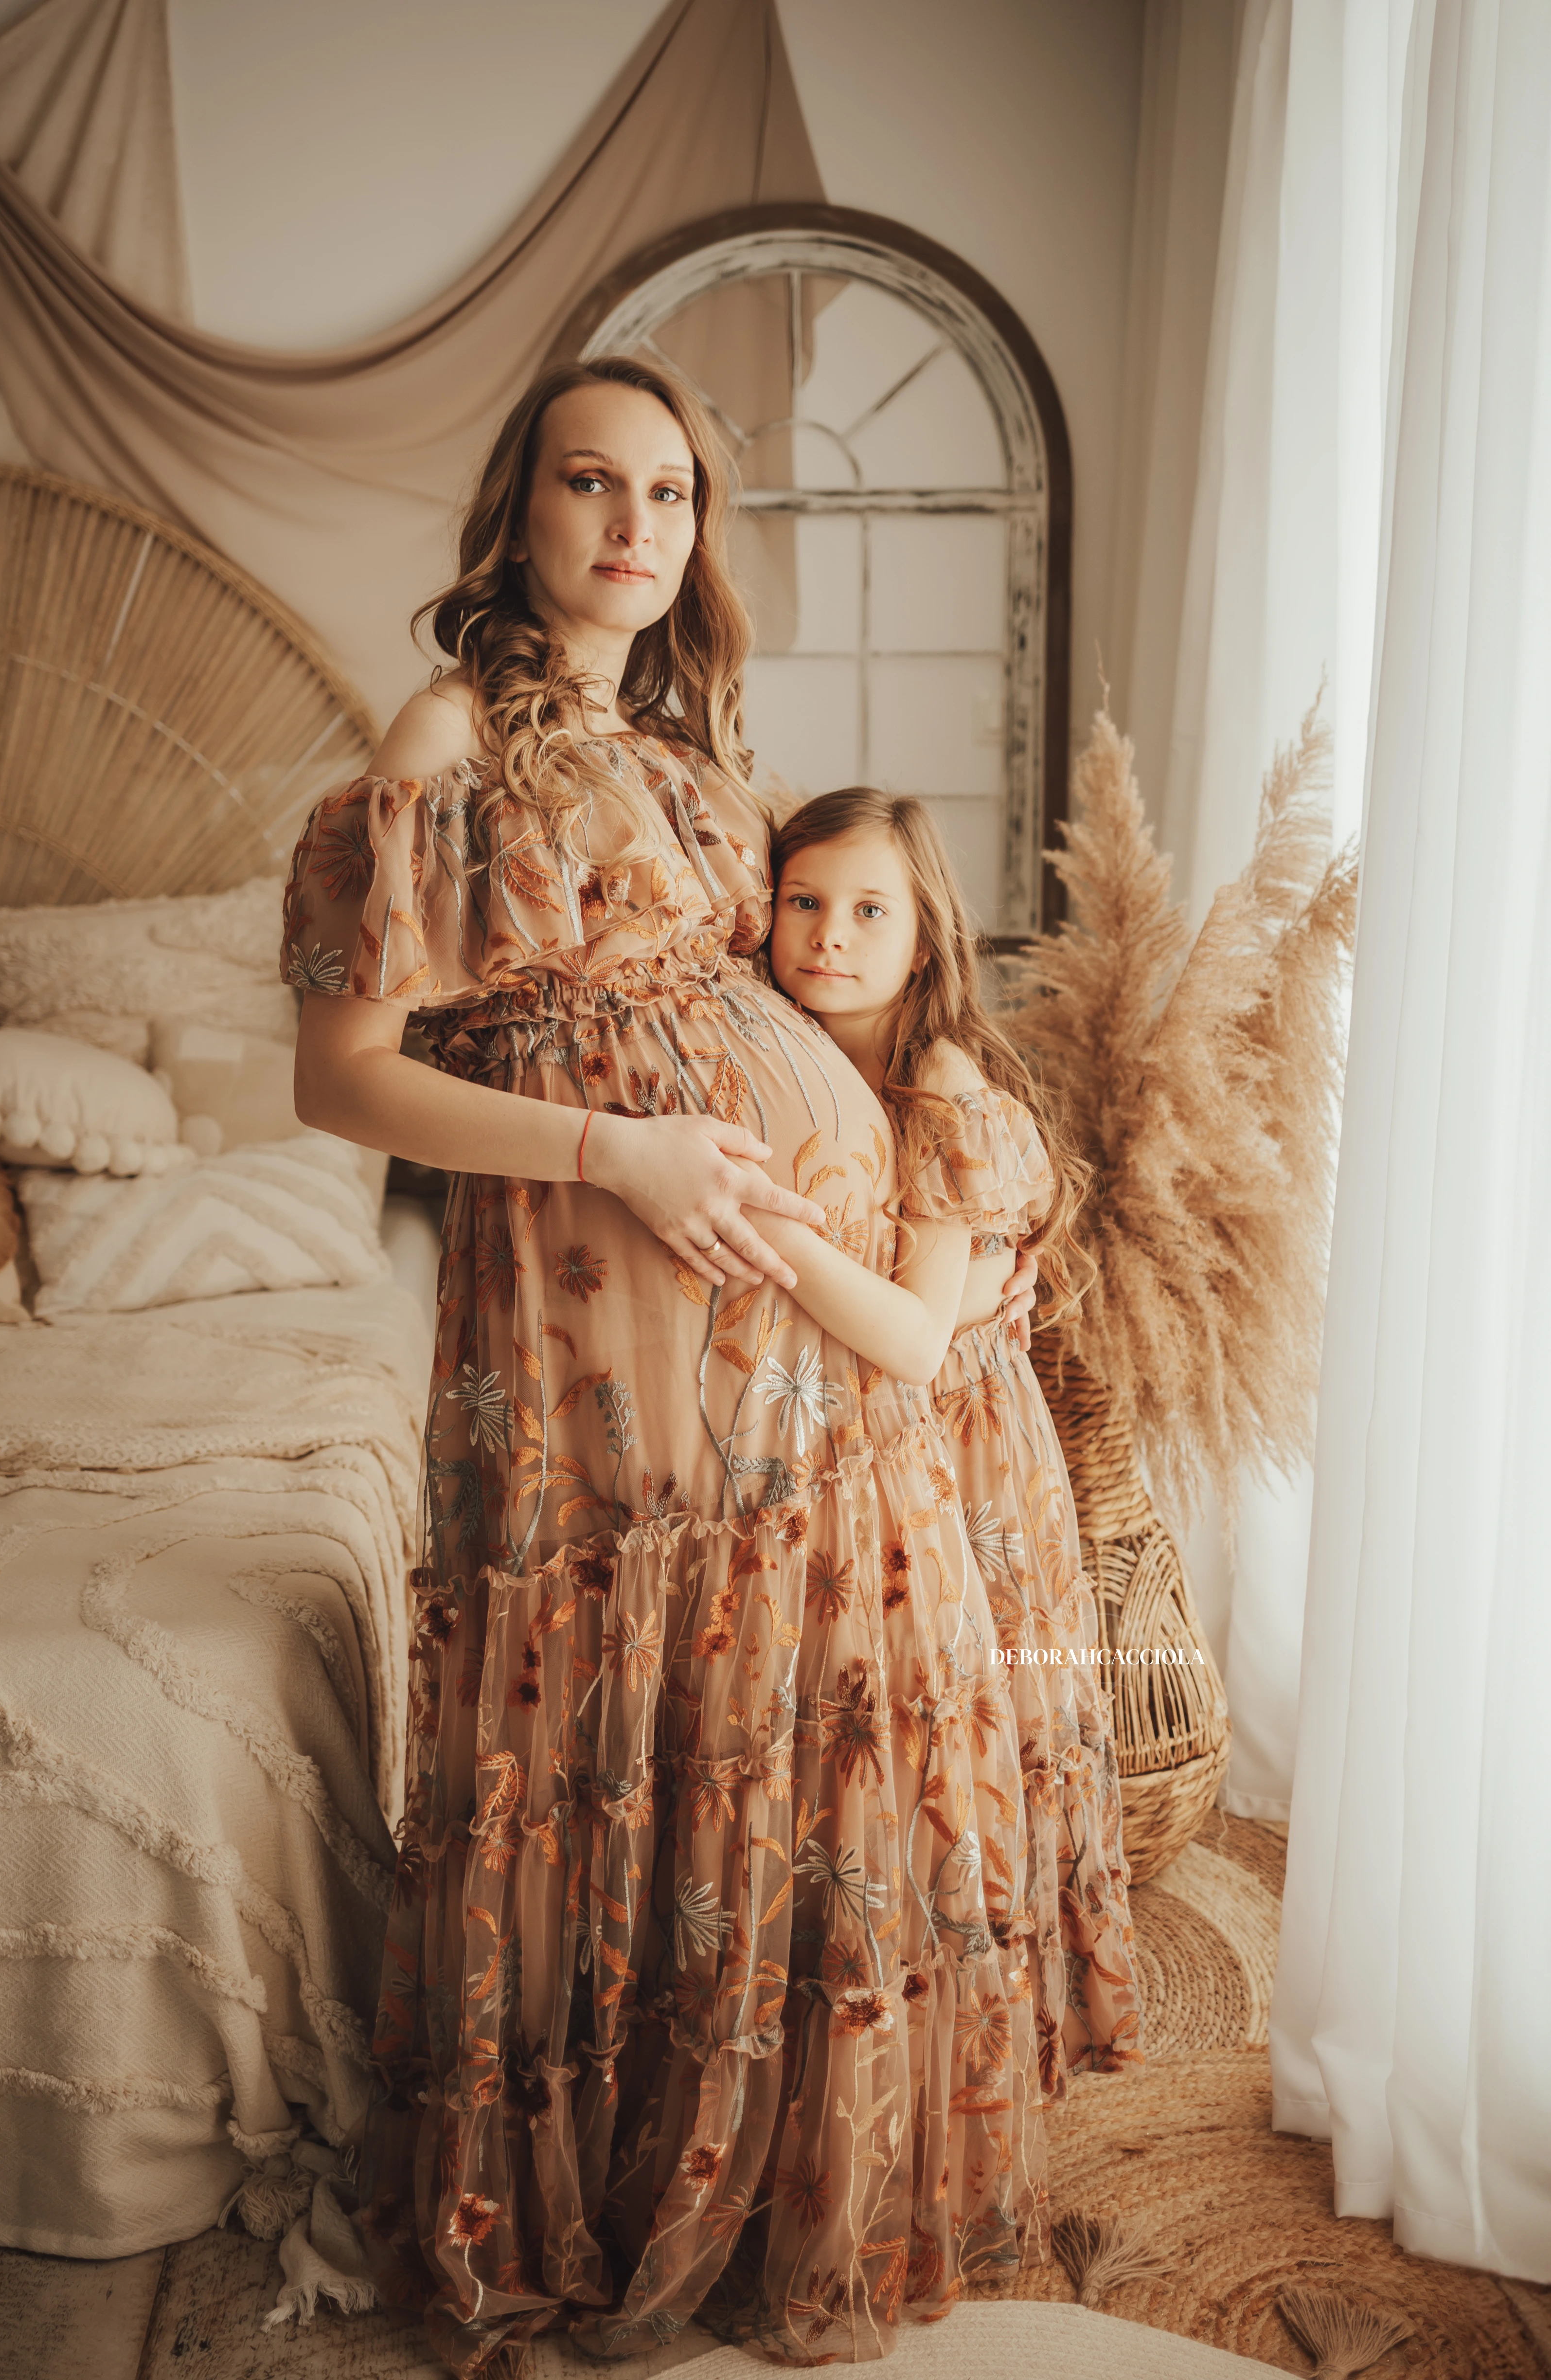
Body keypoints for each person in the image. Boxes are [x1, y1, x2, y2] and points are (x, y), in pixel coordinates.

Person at [283, 358, 1040, 2374]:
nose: (633, 524)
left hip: (768, 1318)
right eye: (588, 483)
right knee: (593, 1712)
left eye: (673, 494)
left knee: (748, 1715)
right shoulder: (449, 734)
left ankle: (740, 2170)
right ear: (517, 511)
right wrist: (613, 1147)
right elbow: (342, 1073)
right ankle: (578, 2187)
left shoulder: (695, 746)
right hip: (577, 1306)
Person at [758, 789, 1144, 2095]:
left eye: (870, 910)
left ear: (924, 938)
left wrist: (778, 1241)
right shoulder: (806, 1054)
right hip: (895, 1424)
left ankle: (982, 2023)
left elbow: (919, 1340)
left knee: (958, 1724)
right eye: (802, 900)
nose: (828, 935)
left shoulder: (937, 1082)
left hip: (960, 1445)